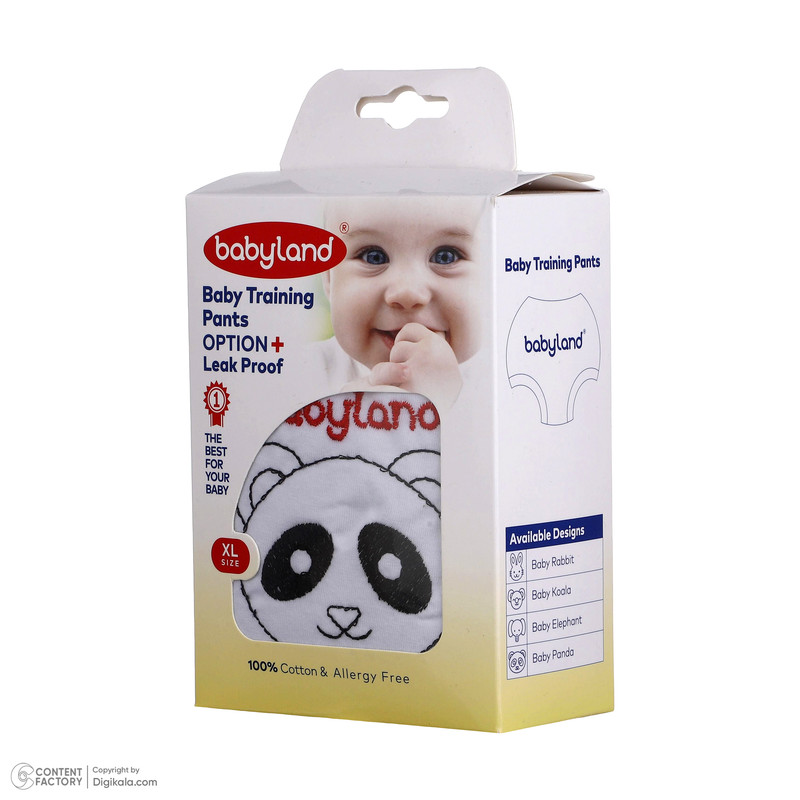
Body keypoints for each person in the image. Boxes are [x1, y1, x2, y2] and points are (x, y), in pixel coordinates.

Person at [310, 195, 485, 411]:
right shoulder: (303, 372)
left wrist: (438, 408)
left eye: (446, 256)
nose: (407, 293)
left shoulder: (497, 386)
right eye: (373, 256)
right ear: (329, 278)